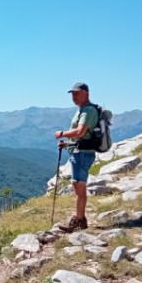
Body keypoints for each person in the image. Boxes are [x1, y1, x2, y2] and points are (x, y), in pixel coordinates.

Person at [53, 82, 99, 232]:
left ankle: (79, 220)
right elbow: (82, 136)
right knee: (77, 186)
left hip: (83, 154)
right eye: (73, 94)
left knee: (80, 187)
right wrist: (67, 144)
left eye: (77, 93)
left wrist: (62, 134)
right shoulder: (82, 110)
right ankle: (80, 219)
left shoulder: (87, 111)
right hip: (79, 151)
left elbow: (80, 132)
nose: (74, 96)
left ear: (86, 93)